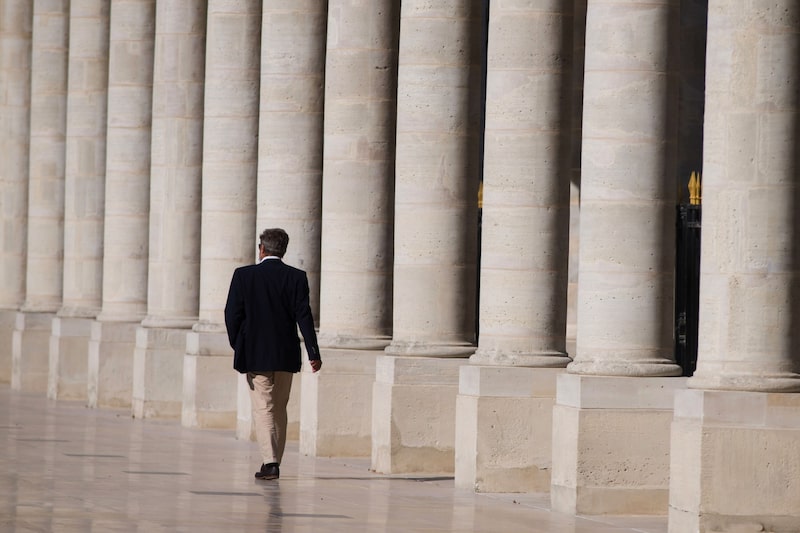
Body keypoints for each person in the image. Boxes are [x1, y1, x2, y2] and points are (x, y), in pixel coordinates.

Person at [224, 228, 322, 481]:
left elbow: (232, 314)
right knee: (279, 408)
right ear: (283, 250)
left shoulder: (244, 275)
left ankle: (270, 463)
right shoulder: (296, 277)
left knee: (263, 408)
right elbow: (304, 317)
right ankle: (274, 459)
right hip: (286, 353)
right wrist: (313, 352)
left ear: (262, 249)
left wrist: (239, 344)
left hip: (256, 353)